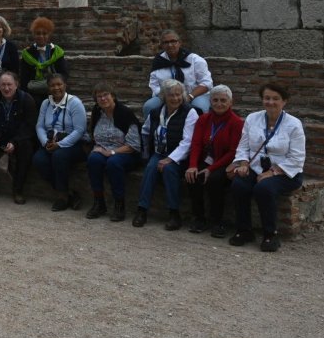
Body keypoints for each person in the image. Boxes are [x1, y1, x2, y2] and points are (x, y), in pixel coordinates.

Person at [227, 82, 305, 252]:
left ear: (284, 101)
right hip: (255, 167)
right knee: (239, 185)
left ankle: (270, 234)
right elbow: (243, 146)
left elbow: (297, 158)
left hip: (285, 172)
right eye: (267, 98)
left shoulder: (294, 124)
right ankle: (244, 230)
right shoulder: (252, 118)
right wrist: (243, 163)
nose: (270, 102)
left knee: (264, 188)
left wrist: (272, 172)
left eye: (275, 99)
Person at [135, 78, 198, 230]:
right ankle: (142, 210)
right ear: (164, 97)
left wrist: (170, 159)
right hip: (159, 152)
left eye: (178, 95)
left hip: (180, 157)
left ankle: (174, 213)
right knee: (150, 168)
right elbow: (145, 131)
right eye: (171, 95)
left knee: (169, 170)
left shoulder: (190, 112)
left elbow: (187, 142)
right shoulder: (156, 113)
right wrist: (145, 154)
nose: (175, 98)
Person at [186, 84, 244, 236]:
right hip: (207, 158)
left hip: (225, 162)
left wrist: (210, 169)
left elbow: (233, 152)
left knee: (215, 180)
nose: (219, 104)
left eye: (223, 100)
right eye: (215, 100)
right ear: (210, 102)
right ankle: (199, 217)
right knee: (193, 176)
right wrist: (192, 166)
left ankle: (217, 221)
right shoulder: (204, 119)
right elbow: (196, 144)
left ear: (231, 102)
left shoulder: (236, 122)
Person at [84, 84, 143, 222]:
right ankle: (99, 202)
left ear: (113, 96)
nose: (103, 98)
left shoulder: (125, 113)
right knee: (93, 160)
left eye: (106, 95)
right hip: (103, 149)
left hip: (126, 152)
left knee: (113, 163)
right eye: (99, 96)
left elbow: (134, 145)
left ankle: (119, 205)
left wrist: (111, 152)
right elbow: (93, 135)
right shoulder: (97, 111)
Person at [32, 73, 86, 212]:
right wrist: (45, 143)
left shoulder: (74, 103)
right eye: (52, 85)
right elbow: (40, 126)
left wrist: (60, 145)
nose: (56, 88)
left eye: (59, 84)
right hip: (50, 143)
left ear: (65, 85)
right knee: (39, 159)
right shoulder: (46, 103)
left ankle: (62, 197)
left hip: (72, 144)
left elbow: (79, 130)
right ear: (48, 88)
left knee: (59, 156)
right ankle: (68, 193)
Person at [0, 71, 38, 204]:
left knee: (26, 149)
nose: (6, 88)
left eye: (9, 84)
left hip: (18, 140)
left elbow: (29, 127)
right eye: (3, 85)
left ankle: (18, 190)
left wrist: (15, 142)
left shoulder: (27, 100)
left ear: (16, 84)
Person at [145, 29, 214, 117]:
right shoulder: (158, 61)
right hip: (167, 97)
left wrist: (189, 96)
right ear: (162, 45)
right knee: (149, 106)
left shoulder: (195, 60)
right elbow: (154, 85)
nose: (170, 45)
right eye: (166, 42)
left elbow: (207, 83)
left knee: (199, 107)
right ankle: (153, 130)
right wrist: (167, 97)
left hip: (194, 96)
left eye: (173, 41)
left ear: (179, 43)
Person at [21, 17, 69, 103]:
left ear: (49, 35)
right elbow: (24, 78)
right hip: (33, 92)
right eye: (38, 33)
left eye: (44, 33)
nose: (41, 36)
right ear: (34, 35)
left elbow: (64, 74)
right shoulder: (27, 54)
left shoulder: (57, 52)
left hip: (54, 90)